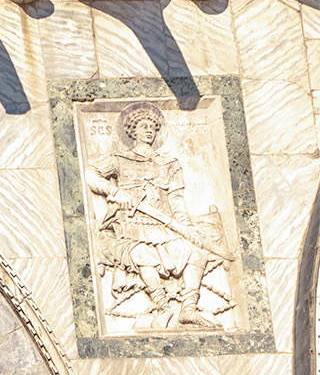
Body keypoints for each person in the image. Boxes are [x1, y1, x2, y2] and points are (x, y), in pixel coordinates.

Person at [87, 101, 226, 330]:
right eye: (143, 126)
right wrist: (114, 191)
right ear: (132, 131)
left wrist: (186, 227)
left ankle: (188, 309)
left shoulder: (169, 164)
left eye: (152, 126)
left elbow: (176, 200)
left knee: (197, 252)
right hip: (132, 226)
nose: (149, 130)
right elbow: (90, 173)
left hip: (165, 227)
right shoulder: (119, 160)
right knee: (142, 254)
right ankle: (163, 307)